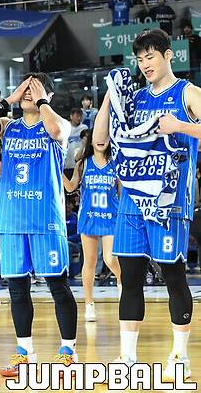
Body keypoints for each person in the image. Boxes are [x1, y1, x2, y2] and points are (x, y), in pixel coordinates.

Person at [93, 29, 201, 379]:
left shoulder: (187, 92)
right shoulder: (135, 98)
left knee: (173, 275)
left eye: (150, 56)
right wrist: (110, 97)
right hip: (131, 203)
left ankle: (180, 355)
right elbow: (99, 140)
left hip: (170, 202)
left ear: (169, 55)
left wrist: (180, 125)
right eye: (140, 59)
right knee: (130, 278)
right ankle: (127, 358)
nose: (144, 64)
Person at [0, 73, 78, 376]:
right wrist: (8, 100)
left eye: (35, 88)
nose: (28, 92)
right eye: (25, 88)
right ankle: (24, 352)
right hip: (12, 218)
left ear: (48, 95)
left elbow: (55, 129)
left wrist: (41, 101)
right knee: (17, 289)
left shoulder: (59, 123)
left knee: (57, 285)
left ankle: (68, 351)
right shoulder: (9, 126)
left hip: (45, 218)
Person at [63, 131, 121, 322]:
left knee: (110, 259)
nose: (101, 140)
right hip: (88, 216)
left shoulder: (116, 163)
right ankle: (89, 305)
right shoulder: (83, 163)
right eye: (97, 136)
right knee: (89, 261)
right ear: (91, 140)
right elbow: (70, 187)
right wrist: (55, 167)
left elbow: (121, 192)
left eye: (105, 137)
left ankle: (123, 284)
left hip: (111, 216)